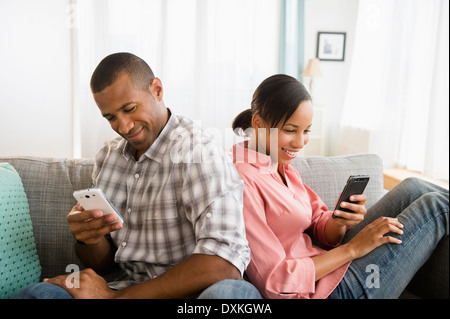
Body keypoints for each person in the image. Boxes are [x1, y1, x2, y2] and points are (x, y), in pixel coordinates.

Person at [14, 52, 260, 299]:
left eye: (129, 109)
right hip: (126, 288)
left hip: (193, 294)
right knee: (40, 293)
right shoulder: (108, 157)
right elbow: (104, 264)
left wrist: (115, 299)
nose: (123, 127)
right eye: (110, 117)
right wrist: (89, 238)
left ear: (157, 90)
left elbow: (223, 264)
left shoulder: (200, 153)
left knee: (232, 294)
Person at [231, 74, 449, 299]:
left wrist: (340, 219)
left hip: (331, 264)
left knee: (414, 187)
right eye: (290, 130)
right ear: (258, 123)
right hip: (325, 291)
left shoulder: (281, 165)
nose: (300, 143)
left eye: (306, 131)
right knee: (437, 206)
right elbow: (275, 281)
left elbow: (318, 223)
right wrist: (353, 248)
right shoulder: (243, 180)